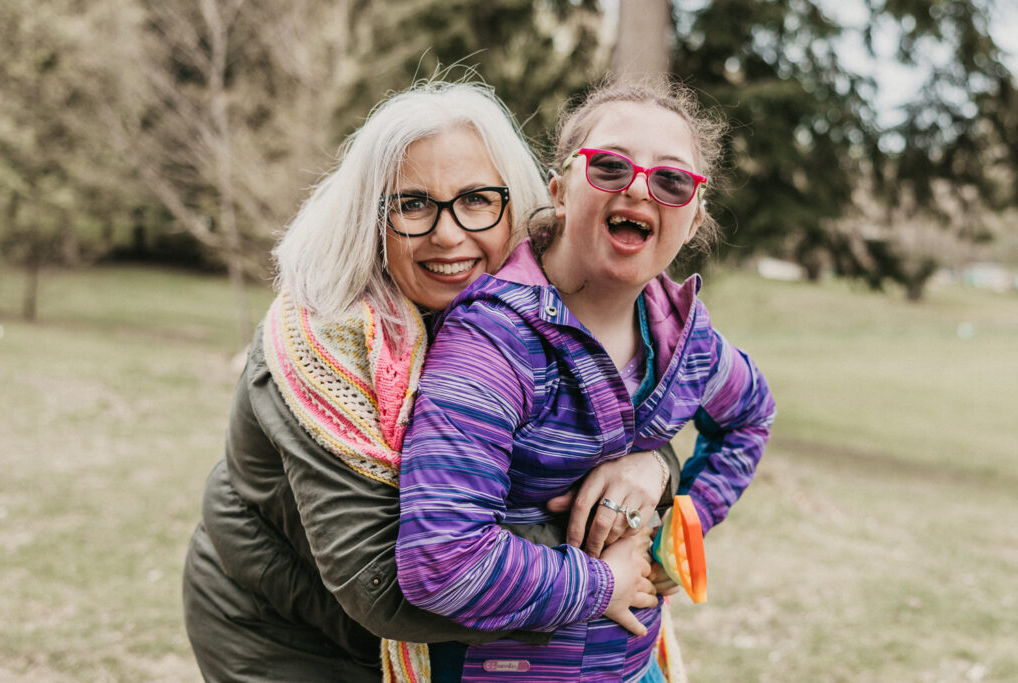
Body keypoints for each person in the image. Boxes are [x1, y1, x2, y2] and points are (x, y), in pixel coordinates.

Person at [182, 80, 682, 682]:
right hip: (283, 634)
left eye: (475, 199)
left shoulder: (536, 311)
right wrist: (602, 574)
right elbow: (385, 582)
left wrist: (650, 466)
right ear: (374, 219)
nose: (448, 234)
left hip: (429, 642)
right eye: (413, 204)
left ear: (517, 205)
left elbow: (611, 424)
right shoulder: (321, 346)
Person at [395, 80, 777, 682]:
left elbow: (750, 416)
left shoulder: (687, 343)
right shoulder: (494, 342)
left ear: (695, 215)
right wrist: (604, 582)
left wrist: (673, 528)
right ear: (560, 188)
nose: (638, 187)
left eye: (672, 181)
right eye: (610, 166)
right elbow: (441, 563)